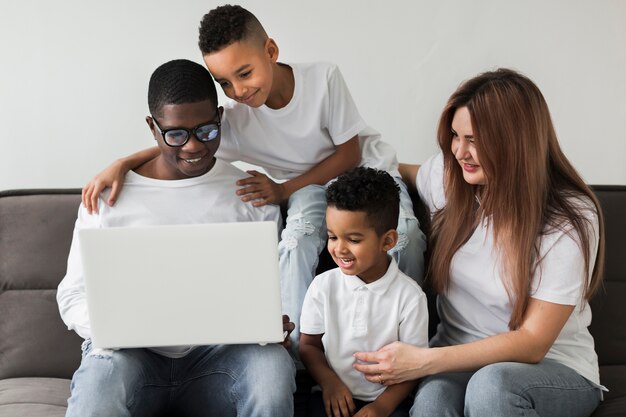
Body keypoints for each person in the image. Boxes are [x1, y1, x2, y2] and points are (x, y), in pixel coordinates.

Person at [79, 4, 427, 352]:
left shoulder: (323, 78)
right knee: (297, 238)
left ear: (271, 51)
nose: (238, 91)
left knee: (406, 236)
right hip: (308, 189)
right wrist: (123, 163)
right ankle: (291, 349)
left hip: (368, 175)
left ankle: (409, 341)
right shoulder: (235, 120)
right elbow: (183, 141)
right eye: (225, 83)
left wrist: (283, 189)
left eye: (244, 73)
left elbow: (349, 154)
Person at [352, 68, 606, 417]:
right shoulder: (451, 180)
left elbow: (533, 343)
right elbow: (404, 171)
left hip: (552, 368)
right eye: (455, 136)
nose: (459, 151)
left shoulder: (569, 217)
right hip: (457, 360)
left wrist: (424, 360)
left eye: (473, 139)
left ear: (515, 141)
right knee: (431, 404)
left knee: (491, 387)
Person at [57, 59, 296, 417]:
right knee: (99, 381)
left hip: (220, 358)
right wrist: (116, 326)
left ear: (219, 118)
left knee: (272, 369)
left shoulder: (248, 192)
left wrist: (273, 319)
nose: (193, 147)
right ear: (153, 128)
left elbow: (274, 287)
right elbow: (71, 295)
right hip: (132, 360)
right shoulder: (108, 197)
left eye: (206, 131)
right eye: (176, 134)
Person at [299, 167, 429, 417]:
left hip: (390, 402)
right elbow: (308, 346)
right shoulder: (322, 286)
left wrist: (382, 406)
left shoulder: (410, 298)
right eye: (333, 237)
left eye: (354, 240)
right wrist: (330, 383)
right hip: (330, 394)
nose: (339, 249)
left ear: (388, 241)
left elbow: (415, 366)